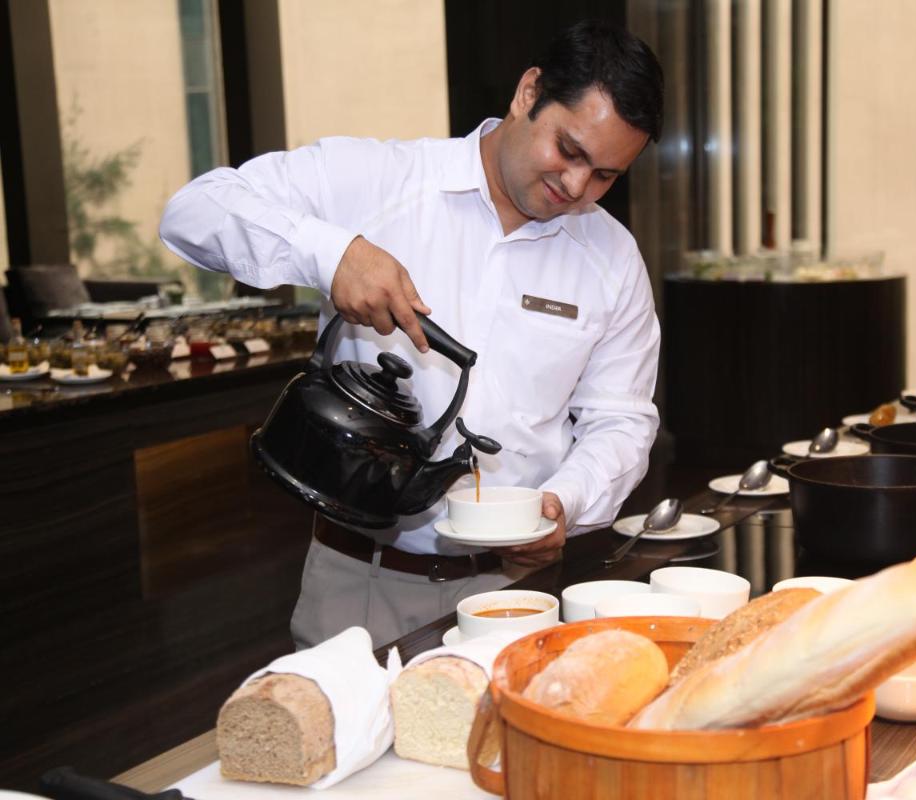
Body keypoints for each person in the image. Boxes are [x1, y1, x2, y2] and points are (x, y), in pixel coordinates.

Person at [159, 20, 665, 649]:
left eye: (606, 176)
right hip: (360, 583)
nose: (576, 187)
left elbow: (621, 419)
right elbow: (193, 210)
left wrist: (566, 500)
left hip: (517, 594)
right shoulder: (379, 181)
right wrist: (333, 252)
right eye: (569, 150)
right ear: (528, 93)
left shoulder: (612, 258)